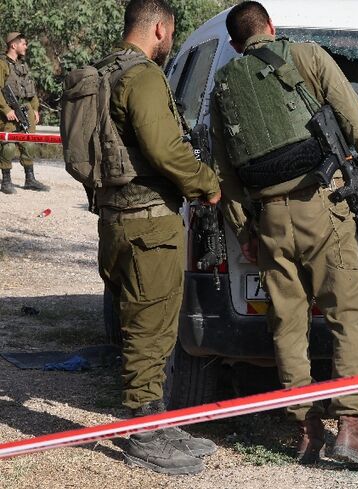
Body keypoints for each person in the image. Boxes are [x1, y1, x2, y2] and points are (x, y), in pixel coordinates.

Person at [209, 1, 358, 471]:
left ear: (236, 43)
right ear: (272, 29)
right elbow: (355, 118)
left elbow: (224, 172)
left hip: (270, 219)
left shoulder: (225, 85)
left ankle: (306, 431)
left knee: (287, 325)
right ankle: (350, 429)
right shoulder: (309, 57)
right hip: (324, 207)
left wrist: (245, 229)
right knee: (348, 313)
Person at [90, 0, 221, 475]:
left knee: (140, 323)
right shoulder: (142, 76)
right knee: (151, 330)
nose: (169, 44)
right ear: (160, 29)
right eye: (170, 36)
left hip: (117, 220)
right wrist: (208, 184)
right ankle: (144, 431)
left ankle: (158, 420)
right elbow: (165, 148)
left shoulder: (104, 72)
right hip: (148, 226)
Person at [0, 32, 49, 194]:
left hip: (25, 110)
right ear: (13, 45)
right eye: (23, 44)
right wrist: (6, 110)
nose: (26, 47)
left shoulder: (23, 65)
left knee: (28, 143)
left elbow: (31, 90)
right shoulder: (2, 64)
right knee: (8, 146)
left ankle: (30, 179)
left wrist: (35, 108)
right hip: (9, 112)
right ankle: (6, 181)